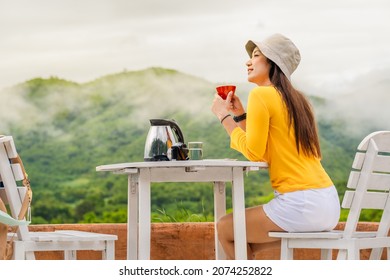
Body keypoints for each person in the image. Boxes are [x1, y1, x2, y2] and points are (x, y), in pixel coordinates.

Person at [211, 33, 340, 260]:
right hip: (328, 204)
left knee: (224, 228)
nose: (248, 61)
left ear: (273, 63)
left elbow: (254, 153)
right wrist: (240, 116)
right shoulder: (299, 101)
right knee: (245, 243)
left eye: (256, 55)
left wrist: (224, 118)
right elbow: (269, 152)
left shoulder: (261, 94)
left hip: (300, 203)